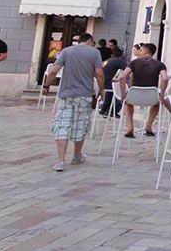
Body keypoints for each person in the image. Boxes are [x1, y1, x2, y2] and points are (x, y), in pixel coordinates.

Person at [43, 33, 104, 172]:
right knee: (80, 124)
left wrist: (46, 85)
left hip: (66, 94)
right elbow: (99, 73)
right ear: (90, 41)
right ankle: (77, 155)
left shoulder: (66, 51)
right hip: (84, 94)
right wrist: (101, 90)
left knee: (62, 125)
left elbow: (53, 71)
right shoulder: (94, 52)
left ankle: (61, 161)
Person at [120, 42, 166, 138]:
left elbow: (122, 77)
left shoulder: (134, 63)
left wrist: (123, 94)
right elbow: (165, 78)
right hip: (151, 98)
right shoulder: (160, 64)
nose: (139, 52)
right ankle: (149, 125)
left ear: (145, 52)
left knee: (128, 104)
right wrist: (161, 95)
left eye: (141, 50)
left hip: (134, 96)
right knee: (156, 104)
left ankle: (130, 127)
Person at [98, 47, 127, 116]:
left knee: (111, 90)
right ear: (122, 55)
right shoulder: (117, 61)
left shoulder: (108, 60)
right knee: (122, 90)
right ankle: (114, 110)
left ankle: (104, 109)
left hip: (102, 82)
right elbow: (128, 69)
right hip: (108, 83)